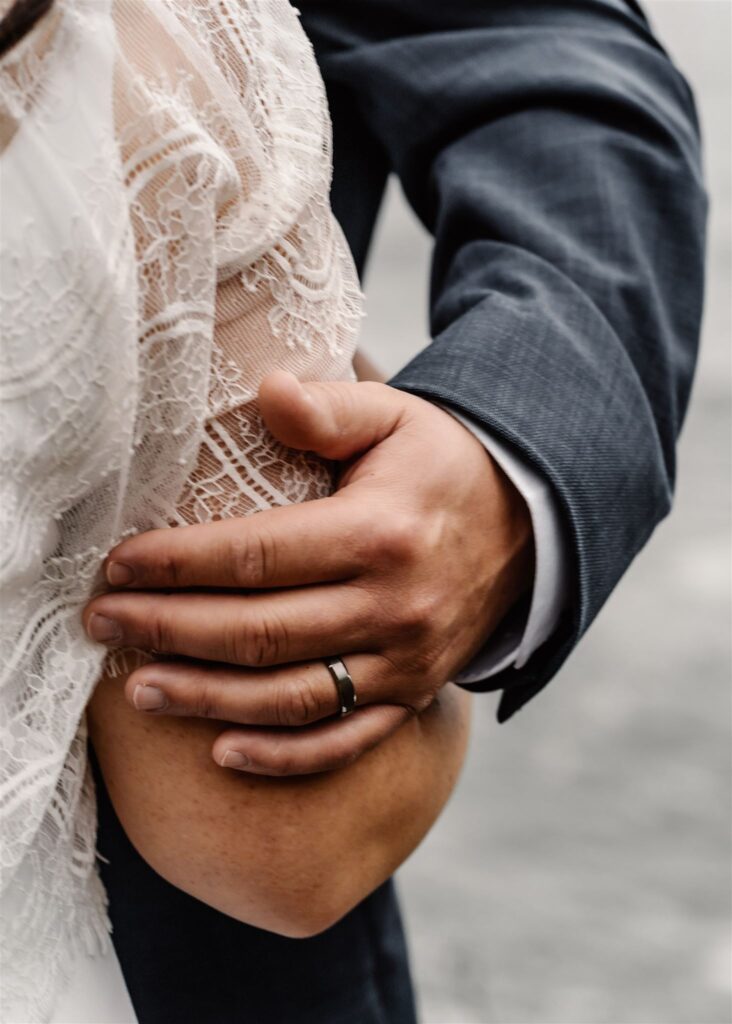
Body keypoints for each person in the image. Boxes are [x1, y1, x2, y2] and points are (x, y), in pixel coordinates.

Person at [0, 3, 705, 1024]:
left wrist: (501, 456)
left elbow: (535, 44)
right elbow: (284, 847)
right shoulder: (154, 57)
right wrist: (434, 712)